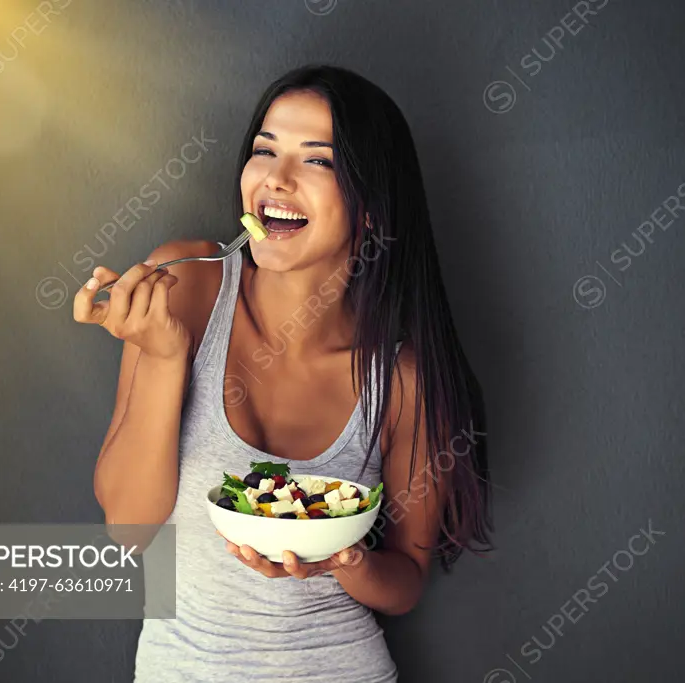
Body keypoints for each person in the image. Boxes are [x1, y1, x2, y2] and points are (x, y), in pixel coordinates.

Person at [73, 63, 493, 682]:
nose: (276, 177)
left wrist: (343, 559)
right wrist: (164, 359)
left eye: (316, 160)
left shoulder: (400, 379)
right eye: (264, 150)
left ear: (372, 209)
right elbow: (128, 530)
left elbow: (404, 581)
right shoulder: (185, 284)